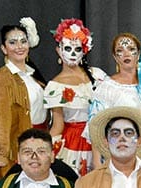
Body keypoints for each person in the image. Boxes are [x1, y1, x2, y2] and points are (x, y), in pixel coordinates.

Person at [86, 32, 141, 171]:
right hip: (119, 155)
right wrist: (97, 164)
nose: (126, 54)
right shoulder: (107, 87)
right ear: (114, 57)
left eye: (131, 49)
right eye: (120, 51)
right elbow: (96, 127)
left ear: (138, 54)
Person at [0, 18, 50, 182]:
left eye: (23, 41)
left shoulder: (33, 75)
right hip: (20, 145)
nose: (19, 46)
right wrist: (1, 155)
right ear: (4, 48)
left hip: (41, 140)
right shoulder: (2, 78)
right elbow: (1, 120)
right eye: (12, 42)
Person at [43, 18, 106, 176]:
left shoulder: (97, 75)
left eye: (77, 49)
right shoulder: (55, 87)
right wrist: (41, 149)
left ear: (84, 50)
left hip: (100, 139)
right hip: (74, 143)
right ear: (59, 50)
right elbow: (57, 125)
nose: (72, 54)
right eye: (67, 48)